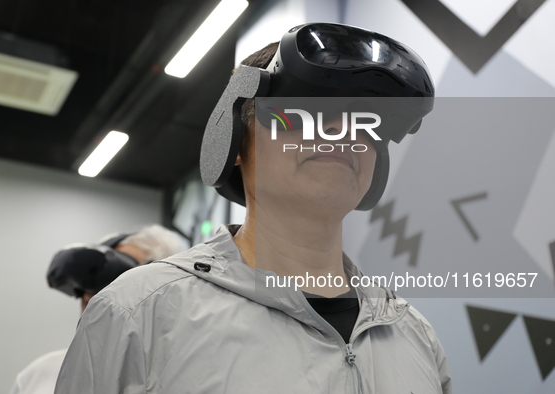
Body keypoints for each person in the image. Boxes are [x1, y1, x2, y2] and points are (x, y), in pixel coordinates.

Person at [55, 23, 451, 393]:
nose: (338, 132)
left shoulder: (412, 333)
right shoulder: (139, 311)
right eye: (305, 111)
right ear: (235, 140)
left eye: (362, 123)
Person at [9, 224, 186, 394]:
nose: (91, 296)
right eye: (92, 276)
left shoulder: (186, 382)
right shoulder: (40, 374)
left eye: (117, 279)